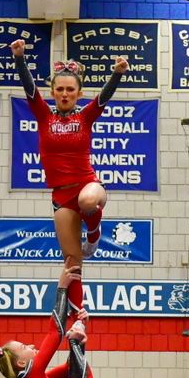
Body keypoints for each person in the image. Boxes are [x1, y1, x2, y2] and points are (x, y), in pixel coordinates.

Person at [10, 39, 127, 309]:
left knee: (88, 201)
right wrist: (19, 58)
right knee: (72, 263)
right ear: (52, 92)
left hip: (88, 185)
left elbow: (103, 98)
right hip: (61, 195)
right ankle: (77, 318)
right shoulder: (44, 117)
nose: (65, 94)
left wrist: (117, 73)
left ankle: (94, 235)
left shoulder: (85, 117)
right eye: (60, 89)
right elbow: (30, 91)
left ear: (78, 93)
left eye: (70, 90)